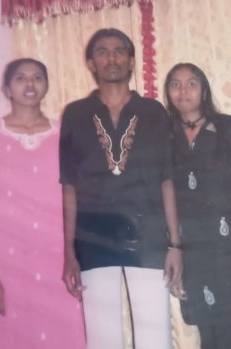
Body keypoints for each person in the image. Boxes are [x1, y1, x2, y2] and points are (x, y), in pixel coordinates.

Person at [59, 28, 182, 349]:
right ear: (91, 63)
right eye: (102, 51)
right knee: (103, 339)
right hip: (93, 239)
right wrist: (69, 250)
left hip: (150, 237)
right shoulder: (75, 114)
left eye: (118, 51)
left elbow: (167, 179)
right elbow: (69, 186)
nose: (111, 58)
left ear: (131, 62)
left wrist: (175, 245)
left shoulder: (153, 112)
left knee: (155, 338)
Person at [0, 58, 86, 349]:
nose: (30, 84)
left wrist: (77, 257)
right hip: (5, 263)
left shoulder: (63, 134)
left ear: (46, 86)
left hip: (57, 262)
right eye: (21, 78)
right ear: (7, 88)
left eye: (37, 77)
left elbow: (77, 202)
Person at [164, 63, 231, 349]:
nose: (183, 91)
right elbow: (165, 194)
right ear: (168, 92)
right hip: (193, 255)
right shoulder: (165, 135)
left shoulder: (227, 127)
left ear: (204, 89)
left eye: (191, 83)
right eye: (175, 84)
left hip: (230, 252)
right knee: (208, 339)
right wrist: (174, 250)